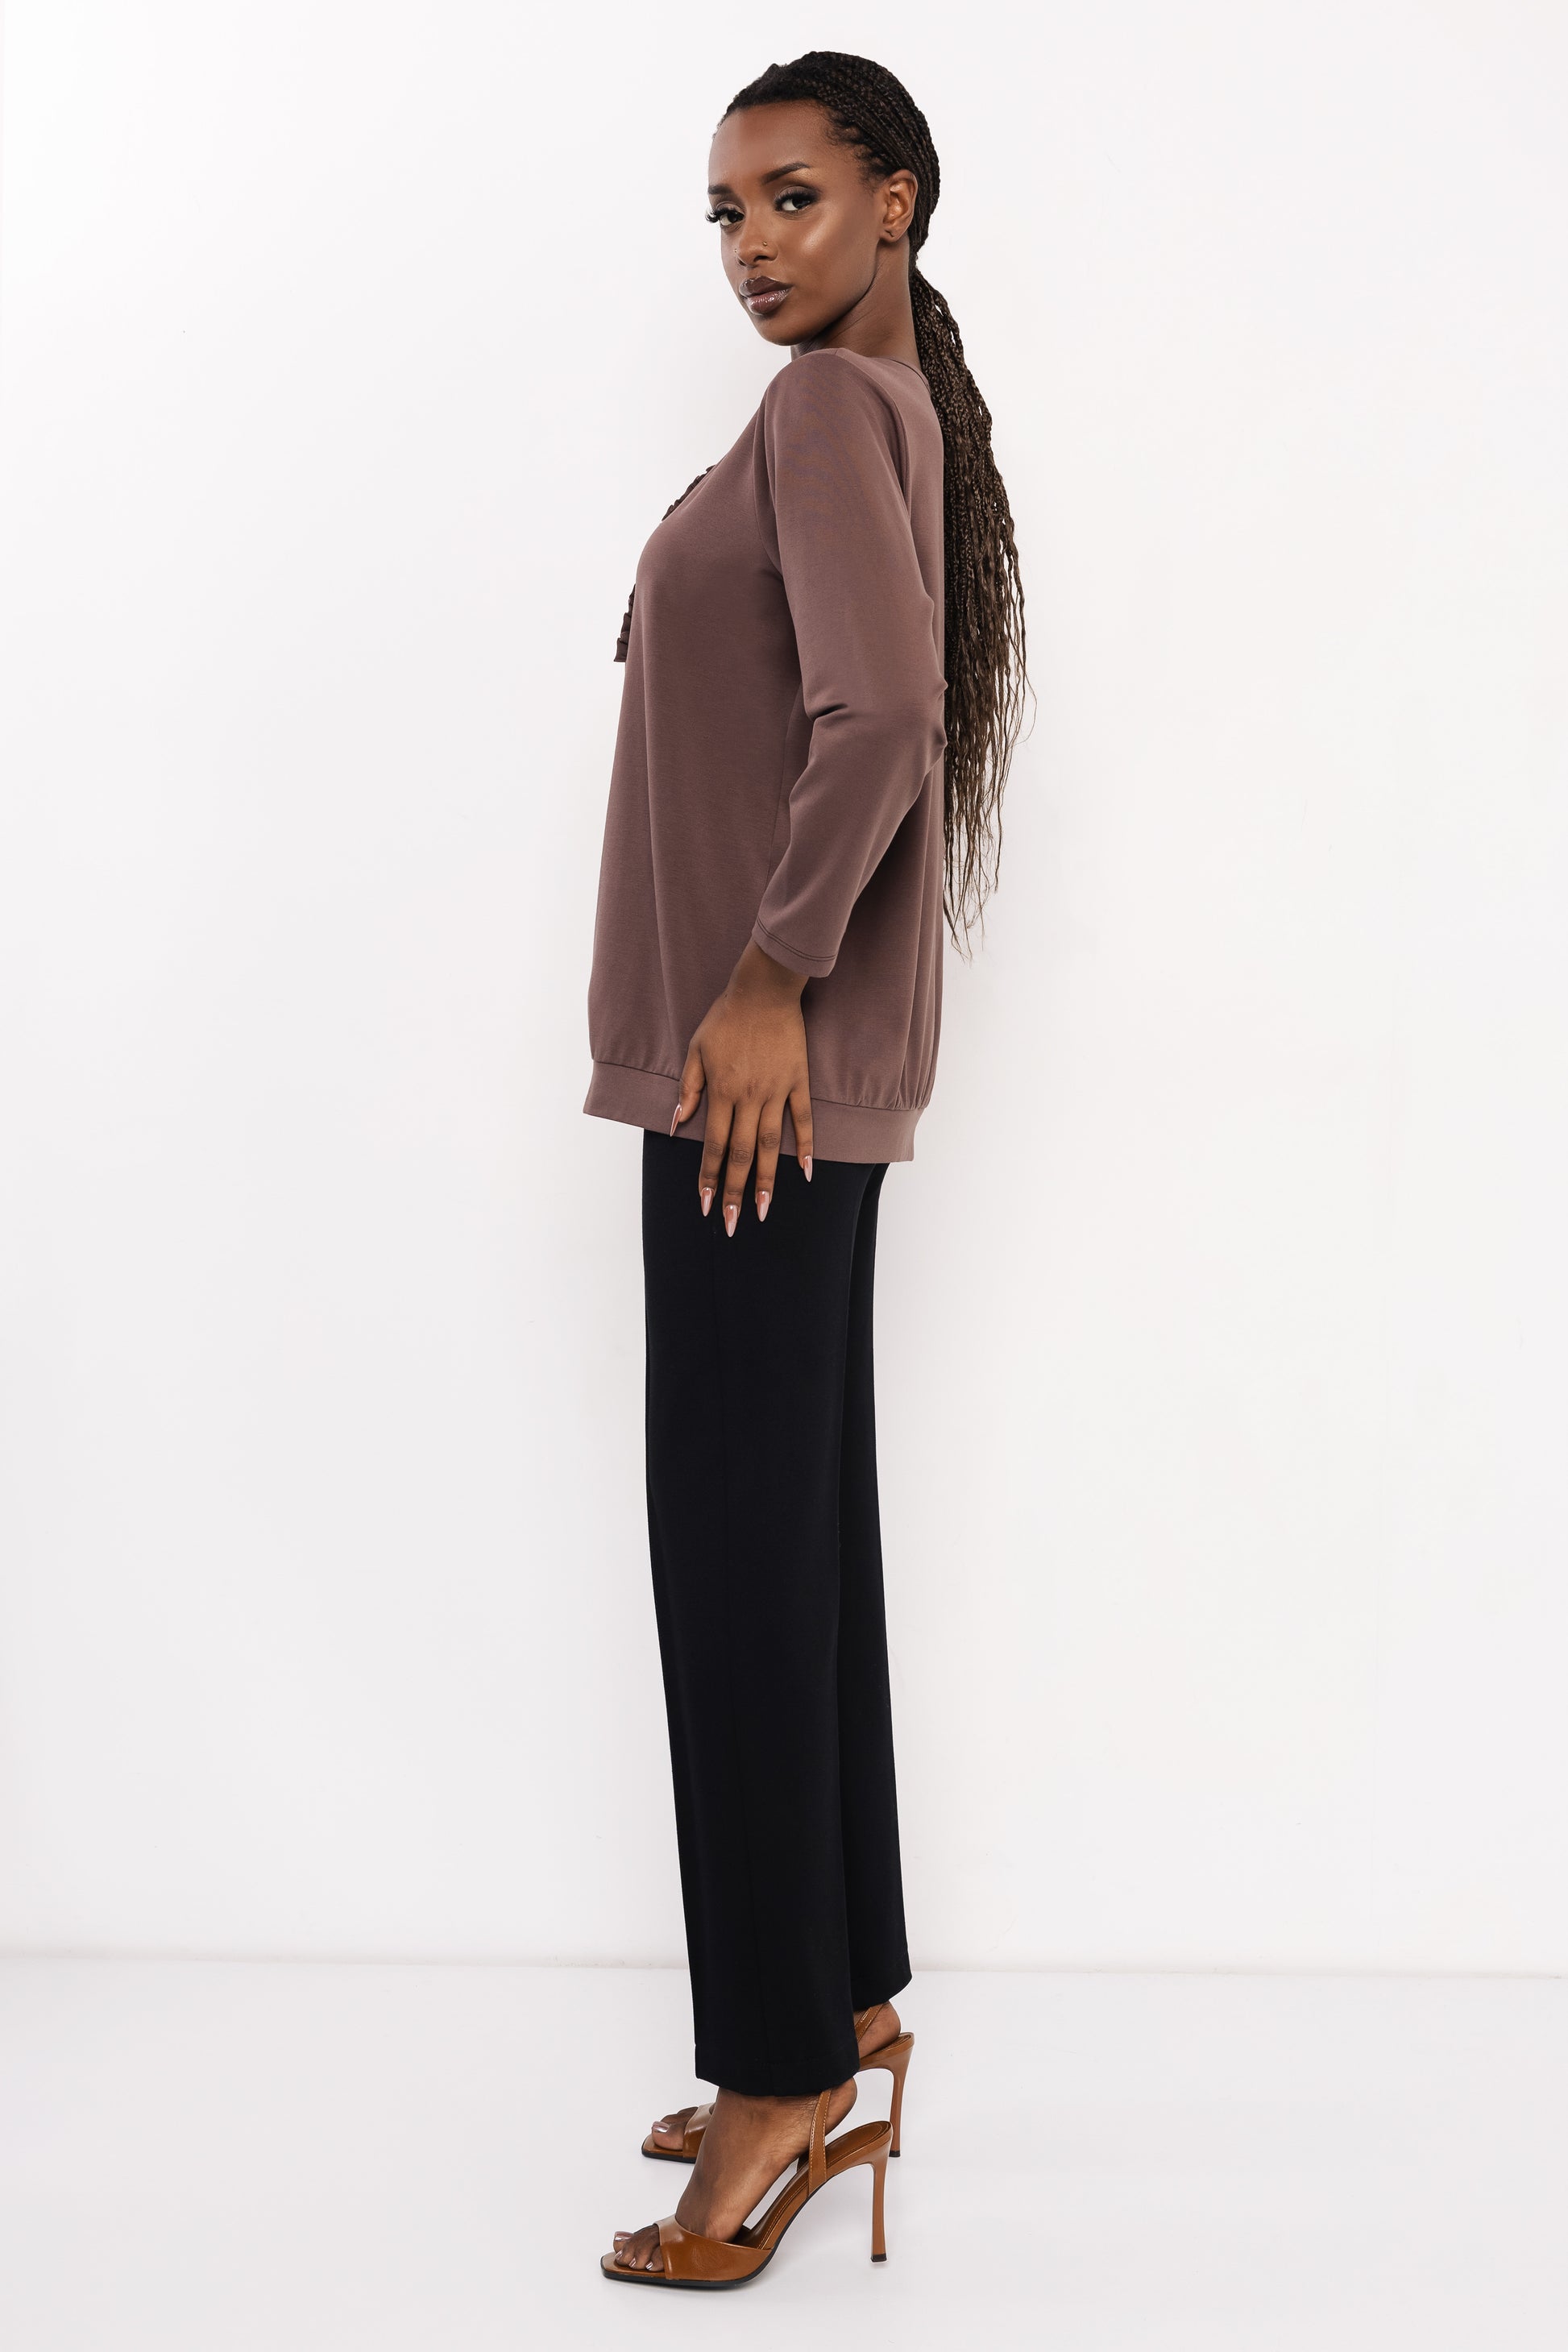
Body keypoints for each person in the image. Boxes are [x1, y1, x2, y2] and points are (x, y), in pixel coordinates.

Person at [585, 51, 1027, 2288]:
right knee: (796, 1538)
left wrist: (760, 983)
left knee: (737, 1566)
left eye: (793, 198)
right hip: (774, 1080)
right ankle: (836, 2001)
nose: (755, 244)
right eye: (725, 213)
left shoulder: (831, 415)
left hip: (751, 1082)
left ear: (896, 204)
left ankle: (774, 2077)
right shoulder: (867, 412)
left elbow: (882, 721)